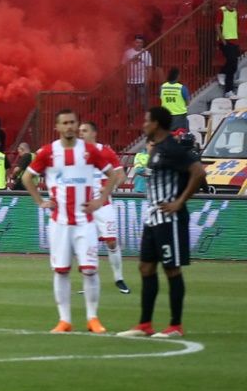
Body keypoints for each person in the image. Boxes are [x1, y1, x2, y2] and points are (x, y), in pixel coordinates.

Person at [21, 110, 122, 333]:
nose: (69, 127)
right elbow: (27, 177)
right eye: (64, 123)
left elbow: (112, 174)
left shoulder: (89, 151)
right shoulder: (48, 152)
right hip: (59, 223)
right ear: (57, 127)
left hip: (85, 221)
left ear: (77, 125)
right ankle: (64, 320)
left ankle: (92, 318)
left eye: (72, 123)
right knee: (61, 271)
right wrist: (40, 202)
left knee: (89, 270)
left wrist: (101, 200)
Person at [117, 106, 207, 338]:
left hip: (170, 218)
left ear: (156, 123)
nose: (143, 125)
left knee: (171, 269)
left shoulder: (172, 148)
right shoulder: (156, 149)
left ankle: (175, 325)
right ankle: (145, 324)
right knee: (145, 267)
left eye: (147, 121)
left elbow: (198, 173)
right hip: (153, 218)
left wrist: (179, 202)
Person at [78, 121, 131, 293]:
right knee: (86, 244)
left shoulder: (105, 151)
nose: (81, 134)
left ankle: (119, 279)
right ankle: (88, 284)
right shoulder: (75, 153)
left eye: (84, 131)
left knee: (111, 241)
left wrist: (111, 187)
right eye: (80, 131)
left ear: (94, 133)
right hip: (83, 206)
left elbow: (121, 175)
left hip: (103, 203)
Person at [123, 34, 153, 117]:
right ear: (134, 43)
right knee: (129, 102)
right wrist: (124, 79)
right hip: (129, 82)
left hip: (142, 81)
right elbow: (123, 67)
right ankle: (131, 119)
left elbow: (149, 68)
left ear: (143, 44)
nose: (139, 44)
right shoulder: (127, 53)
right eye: (137, 42)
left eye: (141, 43)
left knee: (144, 103)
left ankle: (145, 119)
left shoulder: (146, 53)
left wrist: (147, 80)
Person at [220, 0, 242, 96]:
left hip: (234, 40)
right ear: (228, 0)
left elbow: (235, 26)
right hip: (226, 41)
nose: (233, 2)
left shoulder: (235, 12)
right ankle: (228, 90)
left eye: (235, 0)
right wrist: (223, 40)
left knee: (233, 64)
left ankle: (222, 72)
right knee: (232, 62)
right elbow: (217, 26)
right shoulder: (222, 11)